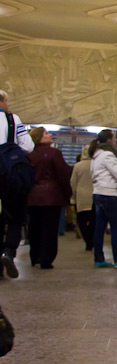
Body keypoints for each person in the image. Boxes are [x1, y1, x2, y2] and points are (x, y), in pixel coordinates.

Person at [0, 89, 35, 280]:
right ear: (3, 101)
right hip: (9, 174)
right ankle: (8, 252)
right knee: (15, 217)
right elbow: (28, 146)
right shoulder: (13, 119)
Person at [26, 127, 72, 269]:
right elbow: (62, 175)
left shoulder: (29, 155)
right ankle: (46, 260)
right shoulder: (54, 153)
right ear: (40, 137)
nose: (50, 134)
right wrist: (67, 194)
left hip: (32, 197)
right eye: (46, 133)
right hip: (52, 196)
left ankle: (35, 256)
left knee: (34, 228)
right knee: (50, 230)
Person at [89, 129, 117, 269]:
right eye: (114, 138)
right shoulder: (108, 155)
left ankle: (99, 258)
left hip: (98, 193)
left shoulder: (95, 155)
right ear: (108, 139)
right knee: (116, 228)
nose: (116, 140)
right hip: (109, 194)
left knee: (99, 228)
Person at [70, 147, 94, 251]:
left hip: (81, 198)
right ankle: (92, 241)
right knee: (94, 222)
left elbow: (73, 183)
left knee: (82, 222)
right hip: (94, 197)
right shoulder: (97, 165)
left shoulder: (77, 166)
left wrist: (72, 199)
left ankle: (87, 242)